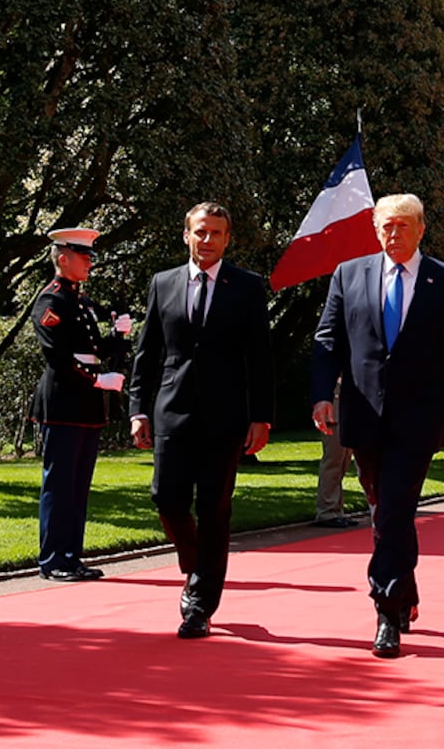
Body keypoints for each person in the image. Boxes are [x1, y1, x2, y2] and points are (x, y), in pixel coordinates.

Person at [311, 193, 444, 659]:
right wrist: (322, 394)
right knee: (385, 508)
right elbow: (328, 339)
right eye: (385, 226)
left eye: (403, 226)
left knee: (395, 508)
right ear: (375, 230)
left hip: (419, 418)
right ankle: (407, 588)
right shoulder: (349, 274)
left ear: (421, 229)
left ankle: (385, 611)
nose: (393, 234)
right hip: (363, 415)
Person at [127, 203, 274, 639]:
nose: (207, 240)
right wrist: (138, 407)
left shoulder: (246, 287)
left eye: (216, 233)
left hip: (225, 415)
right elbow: (147, 351)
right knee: (165, 497)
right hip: (172, 409)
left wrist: (261, 418)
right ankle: (194, 562)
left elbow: (260, 358)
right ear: (186, 235)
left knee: (214, 508)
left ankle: (200, 603)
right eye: (200, 232)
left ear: (228, 239)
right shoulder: (163, 283)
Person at [30, 228, 130, 582]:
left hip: (86, 404)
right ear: (63, 258)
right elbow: (57, 357)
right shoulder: (50, 301)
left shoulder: (79, 301)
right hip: (64, 401)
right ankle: (53, 558)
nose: (90, 262)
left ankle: (71, 556)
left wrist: (118, 335)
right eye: (83, 256)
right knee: (59, 483)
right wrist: (95, 381)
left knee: (78, 484)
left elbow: (94, 349)